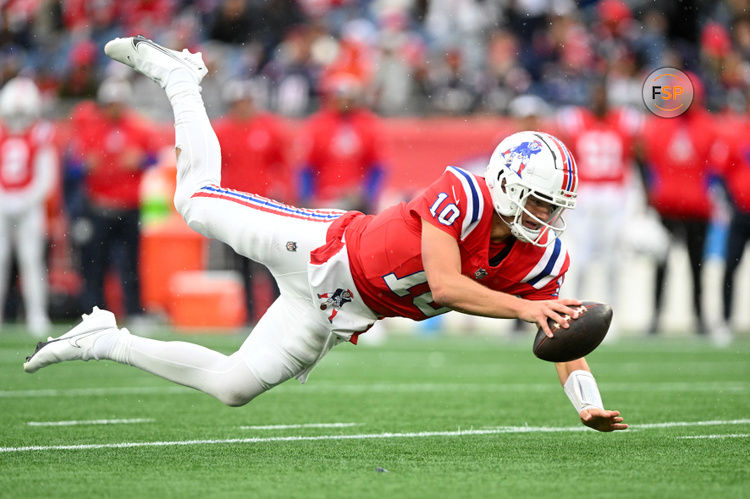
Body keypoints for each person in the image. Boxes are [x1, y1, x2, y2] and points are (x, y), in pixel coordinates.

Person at [24, 36, 626, 433]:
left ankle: (104, 340)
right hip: (321, 246)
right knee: (193, 203)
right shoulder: (462, 193)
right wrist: (528, 309)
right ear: (509, 182)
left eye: (556, 208)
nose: (549, 219)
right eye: (543, 203)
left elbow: (561, 331)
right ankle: (180, 78)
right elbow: (444, 285)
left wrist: (586, 402)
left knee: (234, 387)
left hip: (341, 309)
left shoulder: (540, 253)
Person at [68, 77, 158, 321]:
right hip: (99, 207)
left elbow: (157, 158)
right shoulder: (90, 130)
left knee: (131, 264)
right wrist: (85, 165)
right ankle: (95, 314)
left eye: (118, 103)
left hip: (129, 207)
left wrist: (141, 160)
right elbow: (71, 167)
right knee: (95, 265)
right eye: (110, 104)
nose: (114, 108)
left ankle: (134, 312)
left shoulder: (139, 128)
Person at [641, 81, 715, 336]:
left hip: (696, 209)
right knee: (661, 265)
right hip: (669, 207)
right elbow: (648, 161)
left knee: (697, 266)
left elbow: (715, 167)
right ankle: (656, 317)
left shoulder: (706, 125)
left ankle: (700, 316)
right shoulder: (660, 124)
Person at [212, 80, 289, 322]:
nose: (243, 107)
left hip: (265, 207)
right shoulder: (221, 132)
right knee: (240, 264)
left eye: (246, 102)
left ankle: (279, 315)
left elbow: (283, 164)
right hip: (236, 208)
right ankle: (247, 315)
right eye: (238, 103)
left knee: (274, 262)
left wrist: (283, 191)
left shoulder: (269, 128)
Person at [0, 77, 57, 336]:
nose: (18, 120)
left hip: (29, 206)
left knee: (31, 260)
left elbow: (47, 177)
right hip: (2, 205)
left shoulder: (42, 132)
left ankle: (36, 314)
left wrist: (25, 199)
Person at [299, 73, 386, 213]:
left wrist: (369, 196)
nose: (344, 104)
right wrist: (306, 197)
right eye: (340, 99)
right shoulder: (318, 125)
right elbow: (306, 166)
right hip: (323, 200)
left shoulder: (368, 124)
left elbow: (378, 166)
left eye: (348, 99)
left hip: (355, 201)